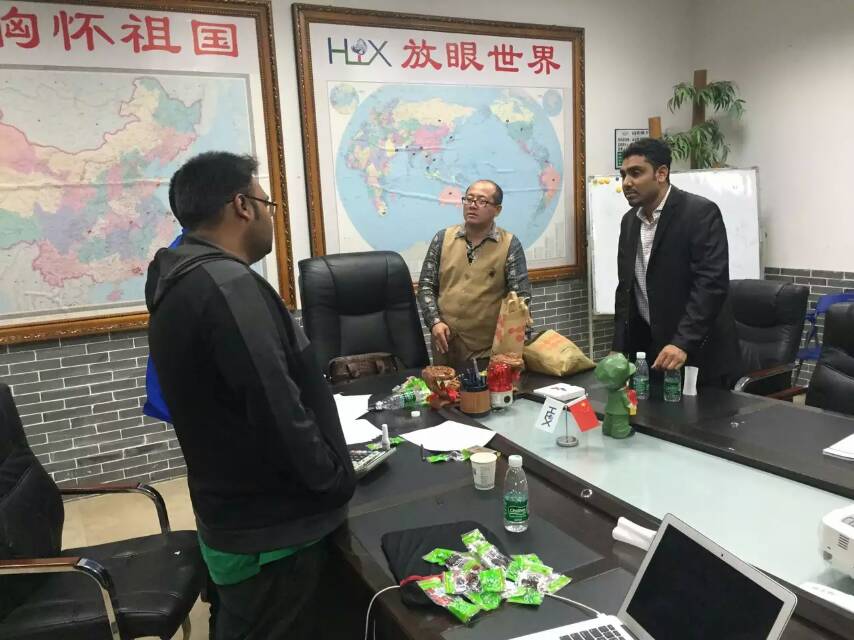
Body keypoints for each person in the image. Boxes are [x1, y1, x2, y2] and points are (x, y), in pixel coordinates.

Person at [145, 151, 356, 639]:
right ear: (242, 205)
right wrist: (333, 480)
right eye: (267, 203)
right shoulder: (229, 287)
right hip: (274, 531)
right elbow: (277, 408)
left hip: (232, 509)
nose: (269, 216)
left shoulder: (180, 276)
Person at [612, 138, 742, 388]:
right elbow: (625, 289)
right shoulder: (629, 222)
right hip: (652, 355)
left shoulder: (699, 213)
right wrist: (618, 348)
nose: (626, 182)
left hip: (700, 355)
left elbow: (710, 285)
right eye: (623, 175)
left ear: (661, 174)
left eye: (636, 173)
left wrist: (683, 342)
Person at [417, 179, 531, 371]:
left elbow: (520, 299)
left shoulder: (509, 244)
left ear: (497, 210)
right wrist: (434, 322)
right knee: (445, 390)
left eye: (482, 201)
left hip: (487, 350)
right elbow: (426, 286)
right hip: (445, 345)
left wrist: (513, 346)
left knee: (483, 391)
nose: (472, 205)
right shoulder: (443, 238)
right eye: (469, 199)